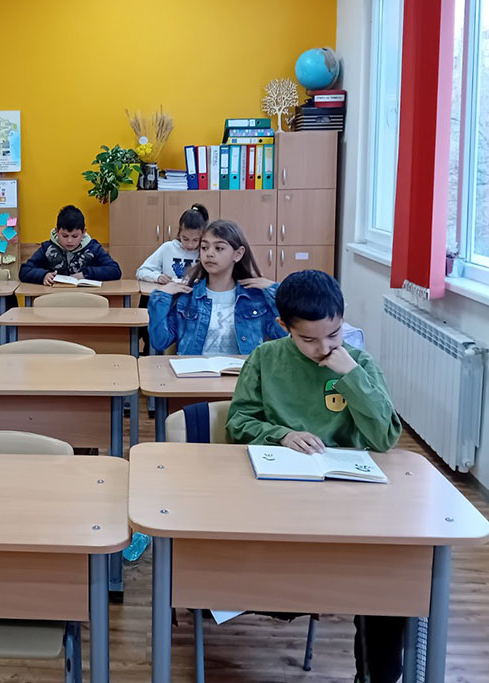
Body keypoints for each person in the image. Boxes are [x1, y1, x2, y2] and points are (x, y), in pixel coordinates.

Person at [227, 269, 404, 683]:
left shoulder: (358, 363)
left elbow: (385, 437)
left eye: (334, 334)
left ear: (343, 319)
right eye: (308, 339)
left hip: (347, 501)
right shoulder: (265, 359)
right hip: (279, 497)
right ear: (283, 326)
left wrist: (351, 375)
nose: (324, 348)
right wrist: (281, 434)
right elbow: (238, 422)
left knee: (389, 583)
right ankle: (277, 598)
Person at [147, 219, 283, 354]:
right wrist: (161, 297)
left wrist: (277, 294)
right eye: (204, 247)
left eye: (219, 248)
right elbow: (159, 342)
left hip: (244, 368)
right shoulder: (188, 296)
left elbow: (282, 336)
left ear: (238, 254)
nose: (209, 253)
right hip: (195, 368)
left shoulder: (255, 298)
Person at [19, 205, 121, 285]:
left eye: (75, 236)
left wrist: (86, 274)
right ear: (57, 231)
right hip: (55, 298)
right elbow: (24, 271)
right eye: (64, 236)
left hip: (85, 297)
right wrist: (44, 275)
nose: (69, 241)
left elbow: (115, 270)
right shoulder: (47, 248)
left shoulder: (93, 247)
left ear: (83, 232)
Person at [136, 203, 208, 283]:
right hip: (170, 290)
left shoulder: (205, 252)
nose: (190, 245)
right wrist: (157, 277)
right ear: (179, 233)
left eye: (195, 240)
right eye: (185, 239)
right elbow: (141, 271)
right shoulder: (168, 248)